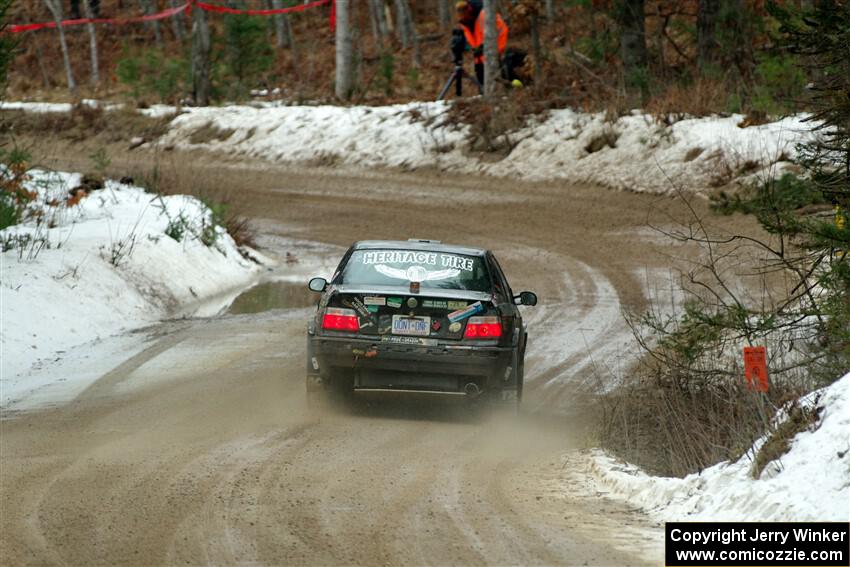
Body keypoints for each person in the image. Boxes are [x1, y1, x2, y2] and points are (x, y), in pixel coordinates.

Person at [456, 0, 508, 85]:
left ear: (468, 10)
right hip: (479, 60)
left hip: (492, 57)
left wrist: (495, 50)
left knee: (499, 83)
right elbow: (470, 40)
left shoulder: (485, 14)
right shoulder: (463, 23)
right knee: (483, 87)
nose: (462, 18)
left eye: (463, 15)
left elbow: (502, 30)